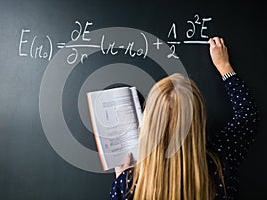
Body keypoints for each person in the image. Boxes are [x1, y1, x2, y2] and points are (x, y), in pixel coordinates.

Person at [109, 37, 260, 200]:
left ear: (150, 119)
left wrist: (120, 178)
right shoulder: (221, 163)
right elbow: (248, 116)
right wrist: (224, 66)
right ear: (199, 120)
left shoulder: (129, 184)